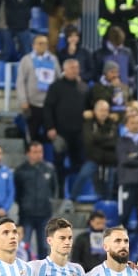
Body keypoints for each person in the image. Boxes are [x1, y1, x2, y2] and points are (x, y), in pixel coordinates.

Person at [44, 58, 88, 189]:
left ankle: (76, 191)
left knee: (79, 163)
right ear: (65, 69)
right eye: (72, 68)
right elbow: (48, 108)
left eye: (77, 68)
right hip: (60, 133)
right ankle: (59, 191)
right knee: (59, 164)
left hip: (79, 132)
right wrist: (50, 127)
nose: (75, 70)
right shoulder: (55, 86)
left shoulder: (83, 87)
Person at [14, 141, 58, 260]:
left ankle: (42, 274)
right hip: (26, 215)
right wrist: (24, 205)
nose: (38, 154)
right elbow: (17, 193)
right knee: (23, 246)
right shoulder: (20, 171)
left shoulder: (49, 169)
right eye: (35, 152)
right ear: (28, 153)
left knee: (44, 246)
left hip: (45, 214)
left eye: (40, 152)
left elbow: (54, 189)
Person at [16, 34, 57, 144]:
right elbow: (20, 82)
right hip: (32, 105)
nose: (43, 46)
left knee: (50, 136)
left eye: (45, 44)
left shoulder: (53, 59)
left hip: (49, 105)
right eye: (40, 43)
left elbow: (58, 80)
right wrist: (23, 101)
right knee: (31, 137)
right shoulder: (26, 60)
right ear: (33, 45)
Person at [78, 99, 121, 202]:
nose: (104, 113)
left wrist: (98, 140)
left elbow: (115, 142)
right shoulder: (88, 123)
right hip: (94, 158)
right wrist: (106, 139)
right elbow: (89, 141)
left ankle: (107, 206)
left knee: (109, 184)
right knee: (84, 174)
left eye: (106, 110)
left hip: (110, 160)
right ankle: (72, 199)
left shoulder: (112, 124)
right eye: (101, 110)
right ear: (95, 111)